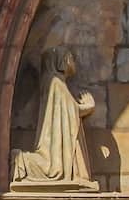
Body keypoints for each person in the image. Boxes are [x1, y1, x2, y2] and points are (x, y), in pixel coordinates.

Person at [11, 47, 97, 187]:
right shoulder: (56, 83)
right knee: (51, 167)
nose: (72, 61)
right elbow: (71, 111)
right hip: (53, 148)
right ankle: (22, 162)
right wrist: (89, 106)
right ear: (61, 61)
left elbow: (66, 111)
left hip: (53, 141)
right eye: (70, 57)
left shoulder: (52, 81)